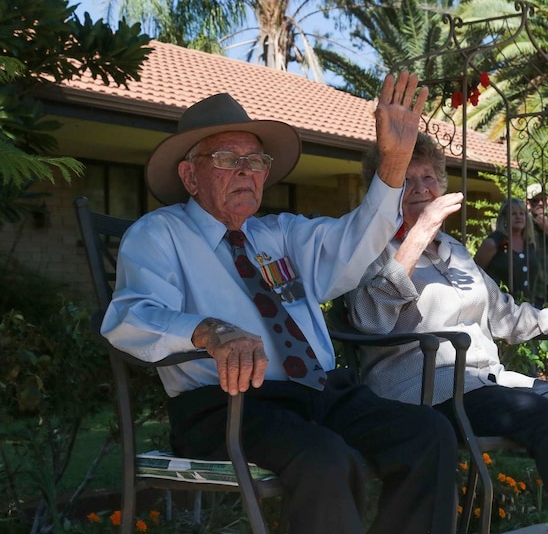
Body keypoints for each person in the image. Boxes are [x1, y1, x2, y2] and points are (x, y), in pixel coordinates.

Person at [100, 73, 459, 534]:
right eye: (229, 158)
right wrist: (209, 330)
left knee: (429, 435)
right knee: (326, 458)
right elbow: (130, 317)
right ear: (190, 175)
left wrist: (393, 163)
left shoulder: (279, 233)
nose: (247, 170)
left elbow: (354, 244)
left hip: (318, 392)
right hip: (226, 407)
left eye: (256, 160)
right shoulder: (159, 234)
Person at [345, 133, 548, 534]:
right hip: (425, 389)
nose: (420, 189)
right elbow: (368, 318)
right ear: (386, 190)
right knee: (545, 418)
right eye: (405, 180)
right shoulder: (367, 249)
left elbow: (507, 316)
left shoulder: (455, 251)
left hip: (486, 382)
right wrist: (417, 236)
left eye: (428, 178)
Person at [473, 198, 541, 301]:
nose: (518, 217)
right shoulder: (492, 243)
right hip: (498, 306)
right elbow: (474, 273)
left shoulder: (530, 244)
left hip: (527, 307)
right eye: (513, 214)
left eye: (522, 214)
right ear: (504, 218)